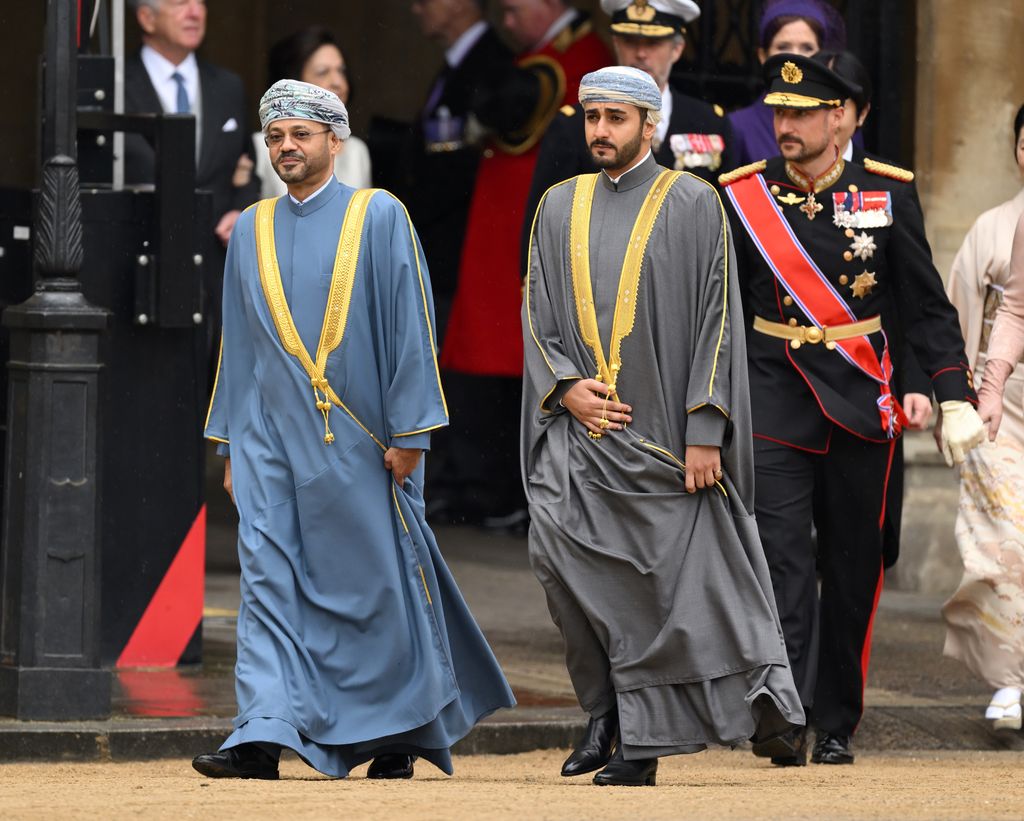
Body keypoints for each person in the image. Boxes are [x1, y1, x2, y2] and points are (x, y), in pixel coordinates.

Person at [193, 80, 515, 781]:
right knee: (267, 585)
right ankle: (260, 732)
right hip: (269, 445)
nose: (287, 147)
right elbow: (238, 346)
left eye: (300, 134)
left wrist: (413, 433)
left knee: (374, 591)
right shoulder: (249, 227)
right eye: (276, 136)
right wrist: (231, 445)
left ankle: (395, 734)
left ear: (333, 141)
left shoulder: (379, 215)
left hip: (365, 441)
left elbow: (409, 329)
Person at [523, 66, 804, 787]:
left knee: (652, 589)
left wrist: (705, 425)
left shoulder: (693, 201)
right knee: (558, 563)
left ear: (651, 126)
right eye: (591, 118)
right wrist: (564, 388)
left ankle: (639, 742)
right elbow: (537, 310)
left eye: (615, 119)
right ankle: (604, 712)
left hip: (665, 441)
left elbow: (718, 318)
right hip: (578, 436)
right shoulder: (557, 203)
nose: (600, 132)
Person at [720, 54, 985, 767]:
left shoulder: (886, 192)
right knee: (778, 560)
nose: (785, 126)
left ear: (841, 117)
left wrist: (952, 390)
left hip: (861, 402)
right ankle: (784, 710)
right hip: (774, 389)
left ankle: (836, 716)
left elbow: (925, 306)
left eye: (801, 113)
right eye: (778, 113)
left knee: (851, 564)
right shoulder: (743, 194)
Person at [437, 0, 611, 529]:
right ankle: (487, 488)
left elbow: (501, 109)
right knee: (493, 366)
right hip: (501, 229)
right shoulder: (546, 52)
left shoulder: (571, 58)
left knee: (525, 368)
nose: (506, 22)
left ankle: (508, 491)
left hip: (525, 222)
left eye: (513, 9)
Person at [811, 49, 934, 570]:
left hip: (867, 387)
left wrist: (919, 381)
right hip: (793, 386)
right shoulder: (772, 186)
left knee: (857, 547)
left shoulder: (888, 188)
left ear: (859, 114)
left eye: (842, 104)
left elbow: (915, 300)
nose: (832, 116)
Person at [522, 0, 733, 272]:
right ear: (615, 43)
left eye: (653, 43)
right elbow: (544, 225)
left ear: (677, 48)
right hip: (595, 288)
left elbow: (724, 231)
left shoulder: (709, 122)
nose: (641, 54)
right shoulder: (573, 125)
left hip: (683, 287)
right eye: (630, 41)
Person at [943, 103, 1024, 731]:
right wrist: (972, 392)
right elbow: (990, 310)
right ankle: (1008, 682)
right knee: (1001, 544)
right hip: (1010, 407)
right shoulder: (999, 227)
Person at [125, 0, 258, 340]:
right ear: (146, 18)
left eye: (199, 2)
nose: (195, 12)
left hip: (213, 267)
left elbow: (247, 164)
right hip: (138, 263)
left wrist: (240, 208)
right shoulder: (115, 83)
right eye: (179, 3)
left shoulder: (227, 86)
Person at [251, 27, 371, 197]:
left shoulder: (357, 151)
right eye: (323, 72)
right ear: (293, 81)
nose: (338, 82)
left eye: (341, 71)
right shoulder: (261, 147)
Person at [728, 0, 845, 167]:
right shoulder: (738, 126)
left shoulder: (836, 119)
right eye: (783, 47)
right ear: (763, 55)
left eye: (807, 48)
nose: (795, 58)